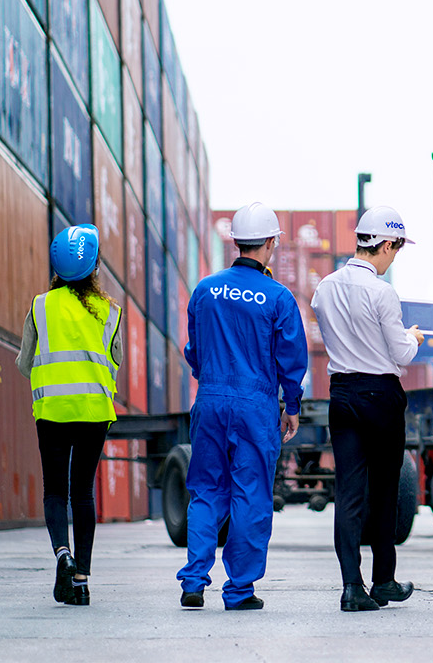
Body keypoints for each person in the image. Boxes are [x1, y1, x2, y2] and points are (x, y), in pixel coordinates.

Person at [176, 202, 308, 611]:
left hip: (211, 399)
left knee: (205, 490)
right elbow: (291, 359)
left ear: (235, 241)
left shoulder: (205, 289)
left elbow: (193, 350)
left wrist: (213, 377)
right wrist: (292, 406)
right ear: (270, 243)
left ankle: (194, 582)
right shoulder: (278, 297)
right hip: (256, 405)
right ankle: (239, 591)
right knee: (251, 495)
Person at [311, 206, 427, 612]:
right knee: (384, 492)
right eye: (396, 248)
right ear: (386, 243)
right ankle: (384, 581)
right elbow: (400, 353)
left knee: (348, 493)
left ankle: (350, 586)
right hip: (380, 395)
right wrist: (412, 337)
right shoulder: (382, 292)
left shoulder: (323, 288)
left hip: (341, 394)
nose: (396, 256)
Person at [16, 225, 123, 607]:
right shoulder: (111, 312)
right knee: (83, 493)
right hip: (94, 412)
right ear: (95, 267)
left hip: (52, 412)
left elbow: (25, 362)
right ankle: (81, 581)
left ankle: (63, 554)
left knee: (55, 491)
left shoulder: (39, 306)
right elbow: (117, 361)